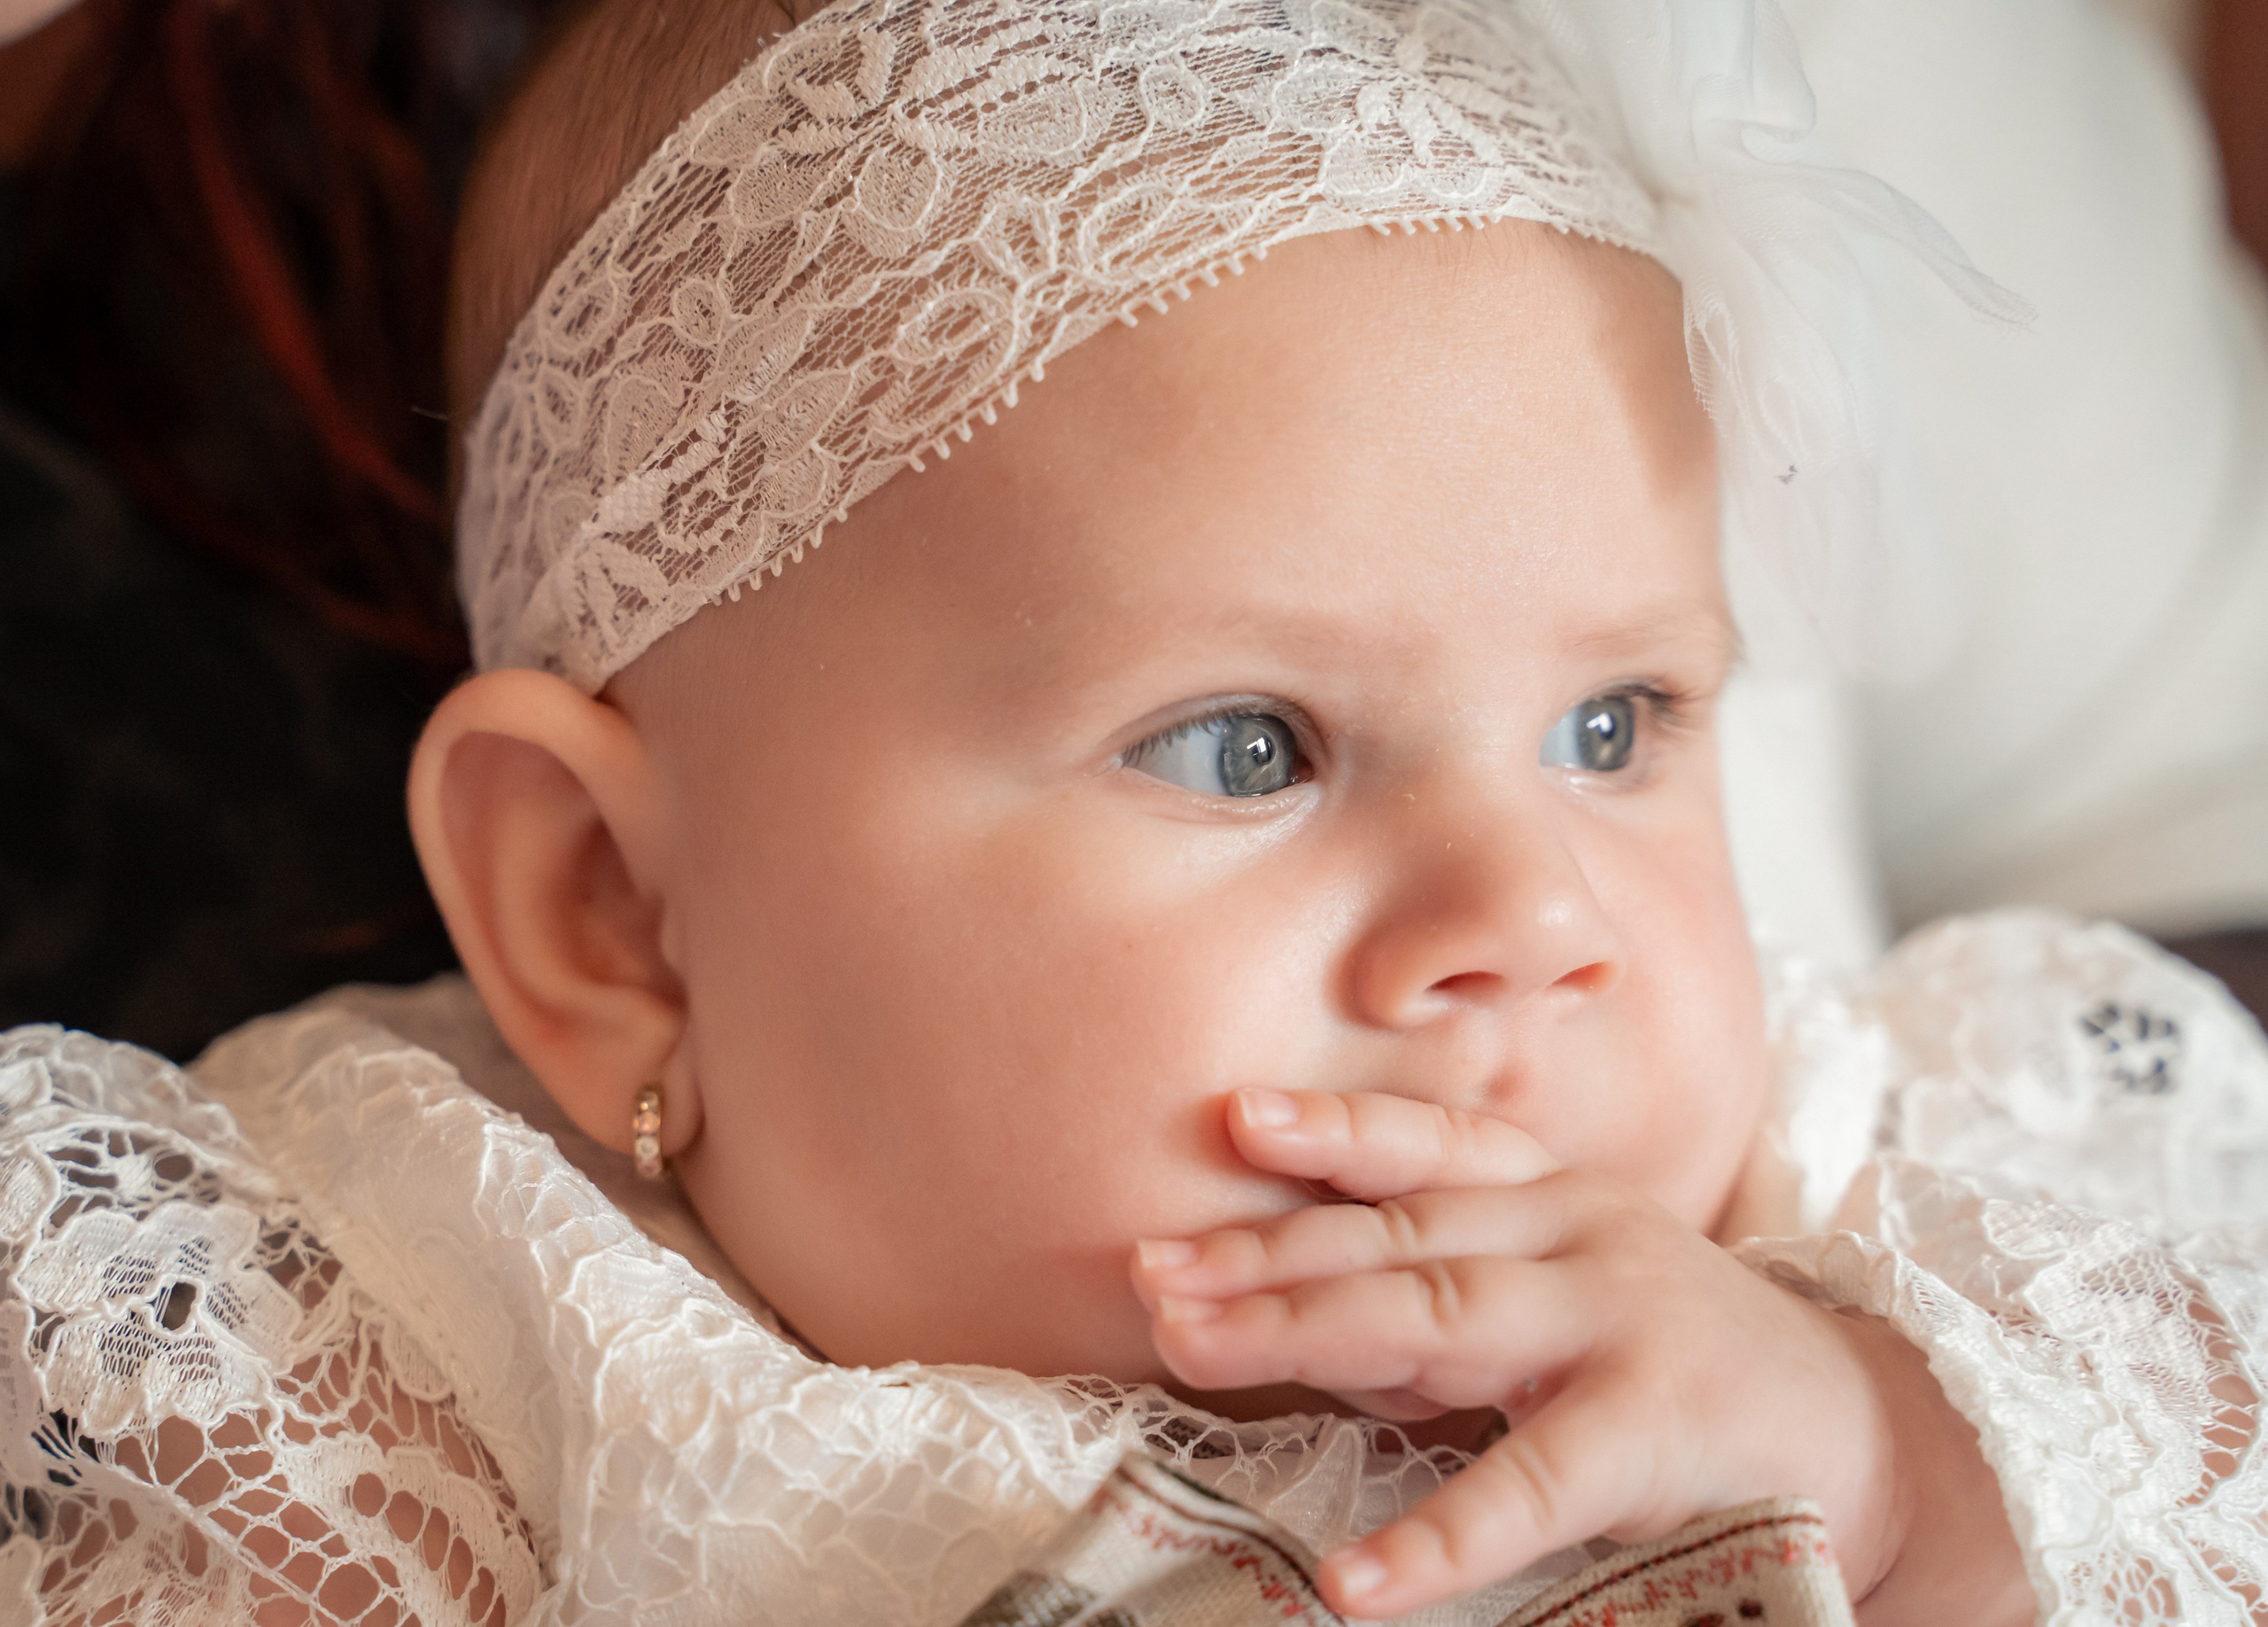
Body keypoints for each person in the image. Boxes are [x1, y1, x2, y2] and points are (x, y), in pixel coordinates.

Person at [3, 2, 2264, 1623]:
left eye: (1616, 726)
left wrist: (1892, 1467)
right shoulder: (404, 1335)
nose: (1532, 919)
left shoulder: (1881, 1203)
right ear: (612, 912)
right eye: (1244, 748)